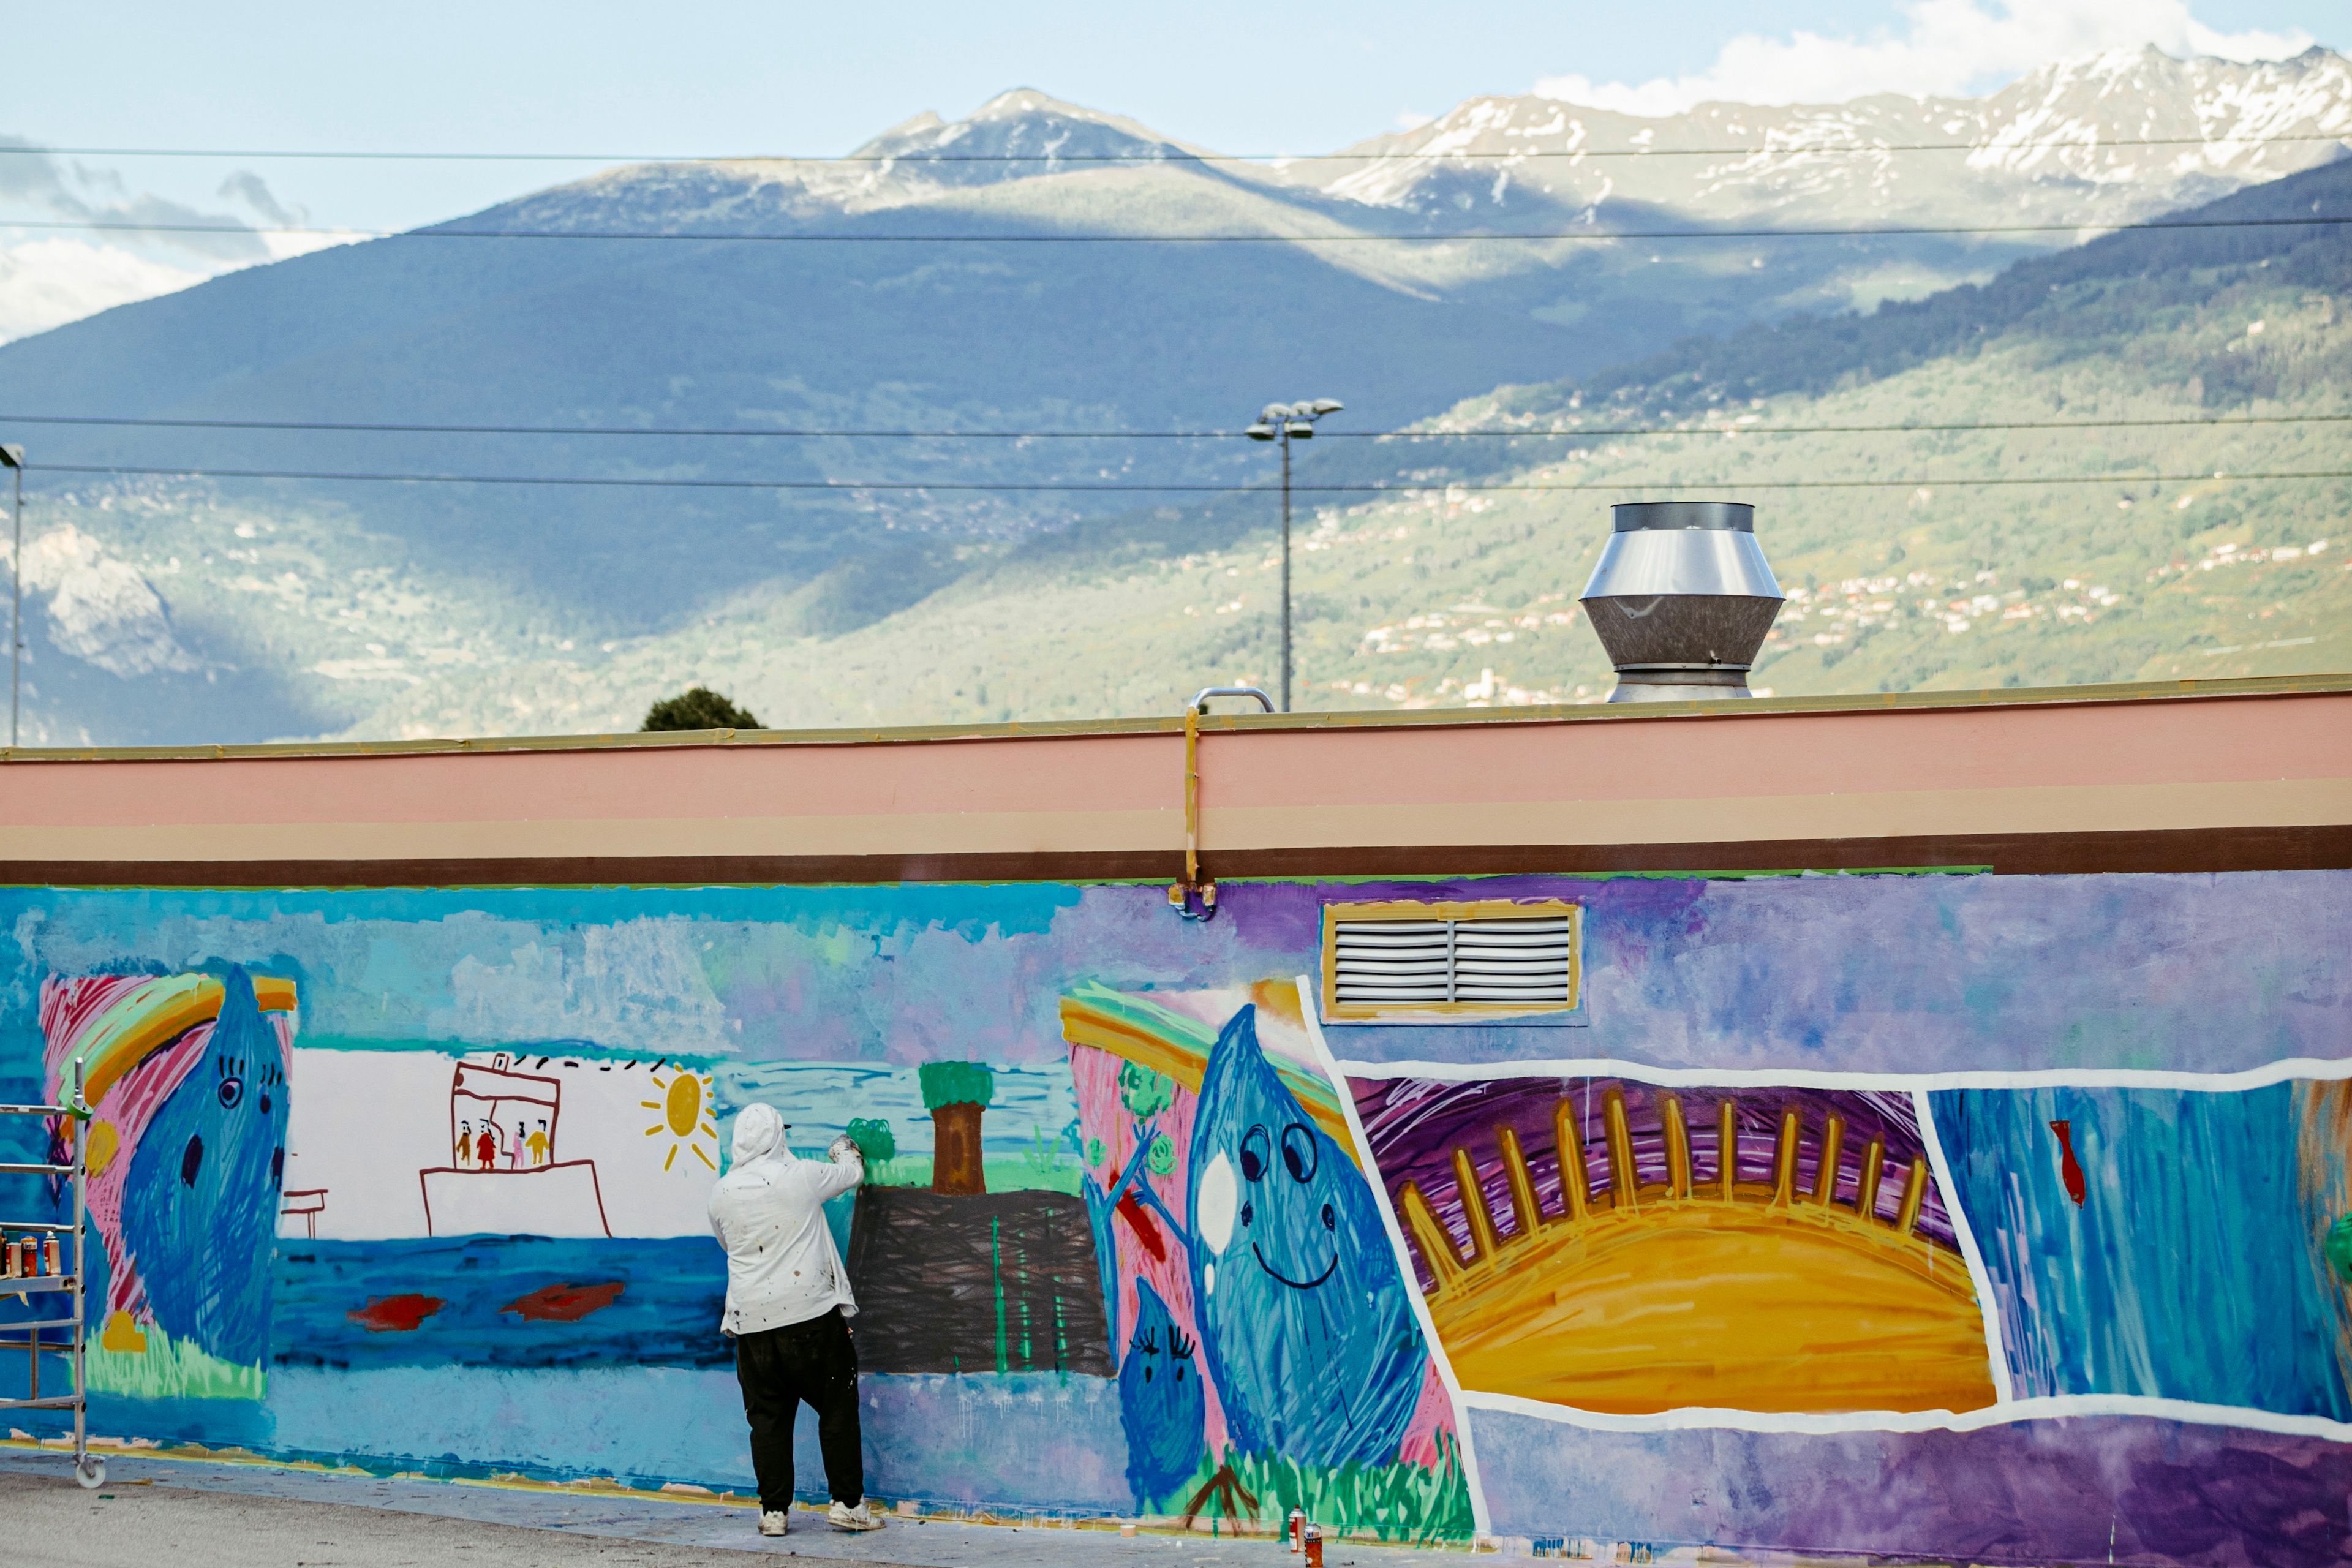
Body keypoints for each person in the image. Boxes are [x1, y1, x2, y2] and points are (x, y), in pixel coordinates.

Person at [707, 1103, 881, 1537]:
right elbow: (850, 1174)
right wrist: (845, 1147)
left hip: (751, 1326)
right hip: (809, 1318)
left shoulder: (721, 1193)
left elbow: (729, 1245)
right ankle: (847, 1504)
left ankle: (773, 1513)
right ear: (776, 1137)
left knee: (767, 1419)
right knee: (837, 1407)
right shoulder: (801, 1176)